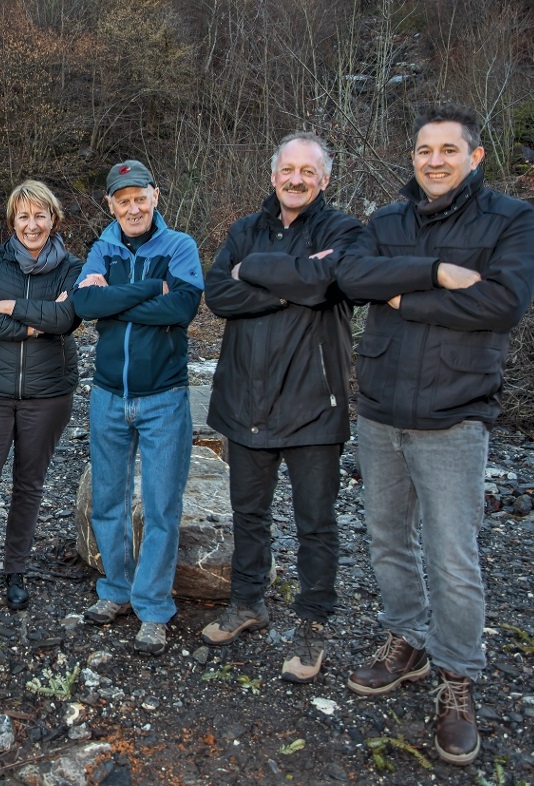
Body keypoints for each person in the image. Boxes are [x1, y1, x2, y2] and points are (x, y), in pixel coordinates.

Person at [337, 103, 534, 765]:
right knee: (388, 541)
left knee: (454, 559)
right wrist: (433, 273)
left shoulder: (509, 219)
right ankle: (408, 641)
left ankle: (457, 678)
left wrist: (401, 296)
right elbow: (353, 276)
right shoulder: (388, 220)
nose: (433, 161)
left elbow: (501, 304)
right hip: (381, 409)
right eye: (424, 150)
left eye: (447, 150)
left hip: (455, 413)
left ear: (474, 157)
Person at [201, 132, 362, 683]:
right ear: (273, 176)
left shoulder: (342, 230)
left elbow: (329, 282)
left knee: (315, 522)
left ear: (324, 180)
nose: (296, 179)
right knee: (249, 513)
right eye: (287, 169)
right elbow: (219, 294)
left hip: (314, 403)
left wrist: (256, 272)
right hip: (245, 396)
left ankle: (314, 625)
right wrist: (291, 282)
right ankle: (248, 603)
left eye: (308, 171)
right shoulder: (245, 229)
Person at [72, 160, 204, 656]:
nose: (132, 207)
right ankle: (117, 591)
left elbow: (183, 309)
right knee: (107, 501)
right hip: (108, 395)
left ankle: (152, 608)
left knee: (162, 506)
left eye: (139, 197)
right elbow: (84, 308)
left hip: (164, 398)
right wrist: (153, 288)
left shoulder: (180, 246)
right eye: (121, 200)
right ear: (111, 204)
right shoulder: (102, 247)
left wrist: (115, 299)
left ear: (155, 195)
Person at [0, 181, 82, 616]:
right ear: (12, 222)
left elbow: (68, 318)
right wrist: (32, 324)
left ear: (53, 219)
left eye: (40, 215)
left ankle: (16, 572)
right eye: (23, 216)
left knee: (29, 485)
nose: (32, 224)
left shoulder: (72, 268)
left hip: (49, 393)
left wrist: (10, 306)